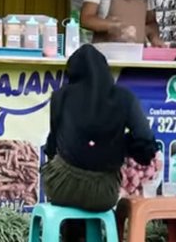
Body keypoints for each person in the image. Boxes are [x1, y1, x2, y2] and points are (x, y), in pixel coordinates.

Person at [42, 43, 158, 212]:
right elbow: (145, 138)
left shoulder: (61, 96)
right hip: (103, 194)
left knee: (55, 164)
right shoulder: (125, 97)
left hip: (62, 189)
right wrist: (121, 145)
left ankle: (71, 234)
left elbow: (53, 146)